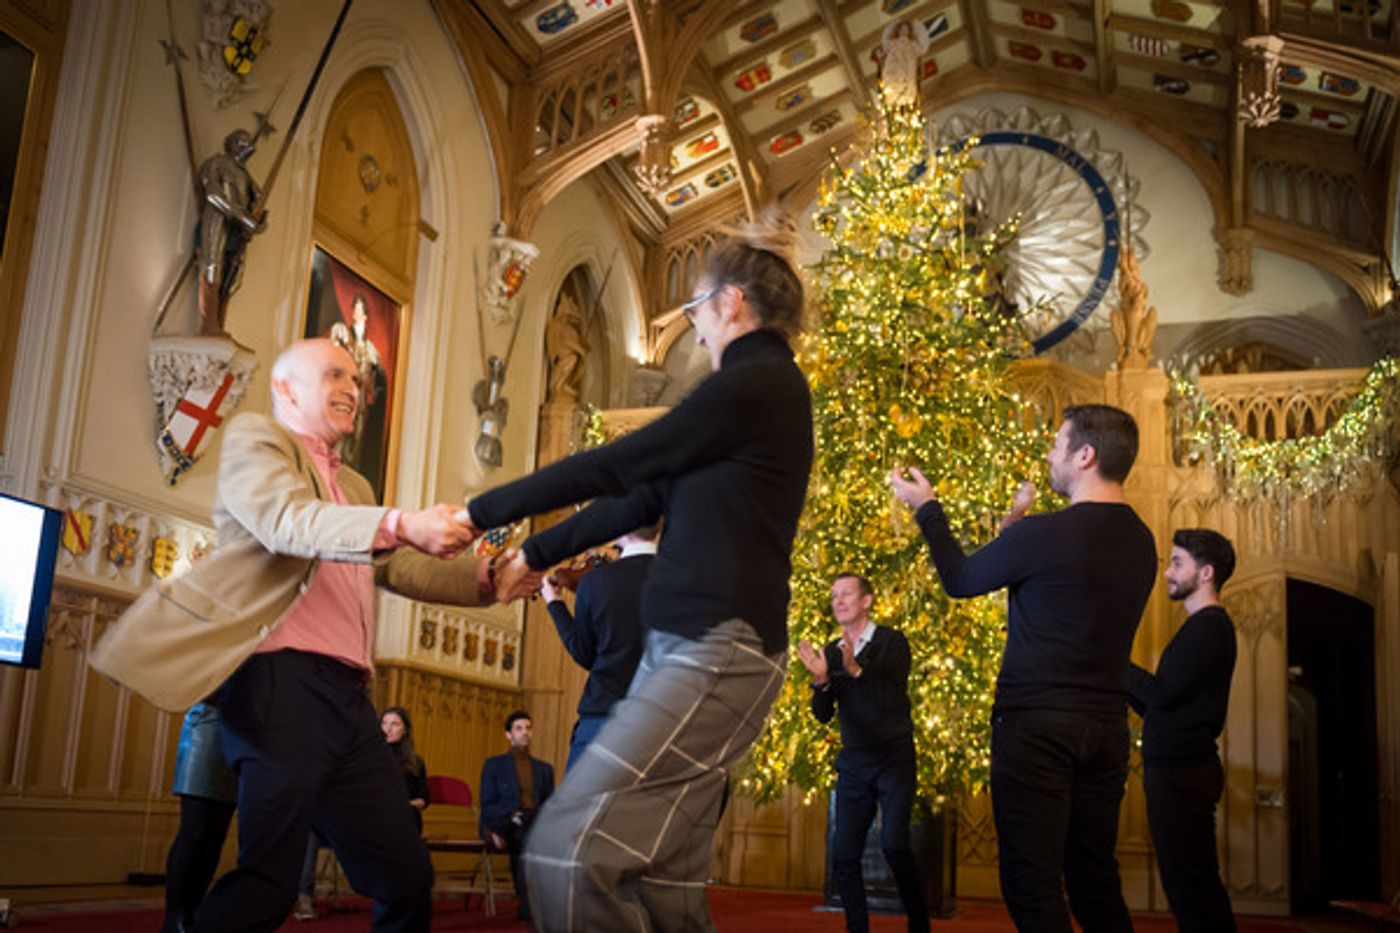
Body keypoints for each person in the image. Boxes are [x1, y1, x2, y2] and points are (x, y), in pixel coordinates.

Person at [95, 337, 538, 933]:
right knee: (269, 885)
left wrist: (487, 578)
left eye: (356, 380)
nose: (352, 390)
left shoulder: (352, 486)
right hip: (280, 687)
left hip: (348, 703)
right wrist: (404, 522)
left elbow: (397, 565)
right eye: (333, 375)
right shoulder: (257, 440)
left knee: (405, 876)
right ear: (286, 389)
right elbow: (286, 522)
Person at [465, 207, 814, 931]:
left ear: (731, 303)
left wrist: (482, 514)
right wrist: (534, 552)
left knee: (563, 849)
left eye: (697, 309)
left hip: (719, 648)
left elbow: (621, 459)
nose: (696, 326)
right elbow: (633, 497)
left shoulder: (762, 382)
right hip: (697, 649)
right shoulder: (745, 400)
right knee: (664, 884)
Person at [891, 403, 1157, 932]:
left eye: (1057, 445)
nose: (1049, 454)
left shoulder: (1045, 534)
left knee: (1030, 883)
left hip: (1037, 728)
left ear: (1086, 455)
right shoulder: (1142, 541)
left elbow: (961, 579)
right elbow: (1057, 598)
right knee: (1092, 879)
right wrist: (1014, 529)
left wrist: (927, 508)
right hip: (1106, 728)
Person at [797, 574, 928, 933]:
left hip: (893, 760)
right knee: (844, 854)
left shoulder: (892, 643)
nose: (838, 601)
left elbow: (890, 703)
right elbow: (823, 715)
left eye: (847, 594)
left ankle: (920, 924)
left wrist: (854, 669)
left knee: (895, 845)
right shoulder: (830, 650)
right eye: (834, 595)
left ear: (867, 601)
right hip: (855, 763)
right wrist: (822, 682)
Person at [1129, 530, 1238, 933]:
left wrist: (1110, 662)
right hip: (1177, 771)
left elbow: (1163, 694)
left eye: (1177, 563)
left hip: (1182, 773)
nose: (1167, 574)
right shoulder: (1200, 626)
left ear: (1205, 572)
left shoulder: (1209, 627)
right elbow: (1162, 706)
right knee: (1188, 888)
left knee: (1193, 889)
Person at [539, 522, 658, 771]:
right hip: (661, 719)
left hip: (604, 716)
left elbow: (584, 653)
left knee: (579, 809)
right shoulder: (686, 580)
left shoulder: (596, 582)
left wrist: (554, 602)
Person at [292, 705, 428, 921]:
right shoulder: (367, 757)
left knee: (404, 821)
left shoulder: (415, 762)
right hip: (367, 817)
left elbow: (423, 799)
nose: (387, 729)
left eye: (394, 724)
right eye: (384, 723)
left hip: (400, 816)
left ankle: (390, 890)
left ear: (405, 730)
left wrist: (400, 805)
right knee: (313, 828)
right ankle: (304, 894)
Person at [162, 703, 237, 933]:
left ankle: (192, 913)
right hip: (207, 723)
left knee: (216, 834)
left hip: (241, 732)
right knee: (195, 829)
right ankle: (174, 918)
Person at [479, 710, 555, 922]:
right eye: (519, 728)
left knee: (528, 827)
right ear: (508, 734)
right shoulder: (494, 765)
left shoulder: (544, 769)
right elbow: (487, 806)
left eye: (528, 728)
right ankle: (529, 907)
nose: (525, 733)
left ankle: (528, 907)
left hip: (532, 824)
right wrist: (512, 814)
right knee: (523, 837)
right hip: (506, 821)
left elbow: (550, 805)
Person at [197, 128, 264, 336]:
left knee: (233, 276)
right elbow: (213, 194)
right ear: (233, 143)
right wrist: (244, 218)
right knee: (212, 265)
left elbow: (257, 205)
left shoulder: (247, 177)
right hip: (218, 215)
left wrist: (257, 223)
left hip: (237, 227)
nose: (248, 145)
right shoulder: (218, 162)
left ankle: (219, 322)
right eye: (242, 141)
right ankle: (208, 323)